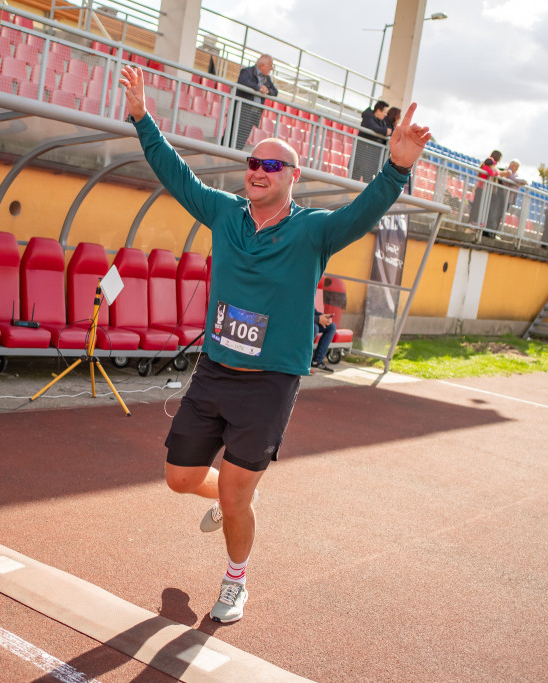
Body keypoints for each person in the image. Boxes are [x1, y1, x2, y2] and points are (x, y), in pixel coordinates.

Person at [118, 65, 431, 623]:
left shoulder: (315, 231)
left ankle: (236, 579)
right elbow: (176, 174)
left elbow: (365, 211)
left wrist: (397, 167)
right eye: (253, 164)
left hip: (269, 384)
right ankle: (226, 502)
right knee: (180, 479)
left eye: (271, 165)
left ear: (293, 174)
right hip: (214, 371)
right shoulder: (224, 213)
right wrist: (143, 118)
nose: (258, 172)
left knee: (239, 496)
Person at [231, 54, 277, 149]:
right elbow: (243, 82)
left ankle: (232, 157)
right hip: (242, 111)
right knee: (232, 135)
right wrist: (258, 88)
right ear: (262, 65)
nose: (271, 68)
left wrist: (266, 90)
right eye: (270, 65)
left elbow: (275, 92)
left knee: (242, 138)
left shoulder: (267, 78)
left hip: (254, 113)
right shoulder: (247, 71)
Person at [351, 100, 390, 182]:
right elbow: (372, 126)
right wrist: (385, 131)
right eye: (385, 112)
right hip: (361, 156)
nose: (386, 115)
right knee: (353, 181)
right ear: (378, 111)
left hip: (371, 160)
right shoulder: (368, 117)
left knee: (367, 183)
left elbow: (387, 131)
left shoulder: (381, 122)